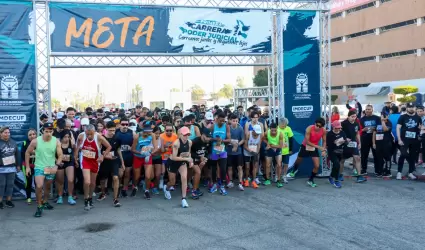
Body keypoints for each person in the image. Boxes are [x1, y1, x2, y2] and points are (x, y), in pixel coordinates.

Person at [25, 122, 63, 217]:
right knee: (39, 185)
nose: (48, 133)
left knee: (47, 187)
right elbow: (27, 153)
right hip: (39, 167)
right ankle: (39, 206)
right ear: (42, 131)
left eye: (50, 131)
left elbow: (60, 155)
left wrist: (56, 165)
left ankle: (45, 202)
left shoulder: (56, 141)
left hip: (50, 167)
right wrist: (28, 167)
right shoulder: (35, 141)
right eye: (46, 131)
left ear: (53, 131)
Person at [75, 124, 111, 211]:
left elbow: (109, 147)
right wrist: (75, 158)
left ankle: (90, 198)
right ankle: (86, 199)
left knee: (92, 183)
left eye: (91, 134)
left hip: (95, 161)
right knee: (87, 181)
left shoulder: (99, 137)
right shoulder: (81, 136)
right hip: (85, 160)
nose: (89, 136)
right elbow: (76, 147)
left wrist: (102, 156)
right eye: (87, 134)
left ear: (94, 132)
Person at [289, 118, 327, 187]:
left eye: (320, 126)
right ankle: (294, 170)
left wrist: (323, 150)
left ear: (322, 127)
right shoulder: (309, 128)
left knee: (317, 166)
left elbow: (324, 141)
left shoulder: (323, 131)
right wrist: (319, 147)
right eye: (317, 125)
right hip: (305, 146)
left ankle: (310, 180)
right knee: (299, 159)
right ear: (315, 123)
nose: (317, 127)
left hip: (314, 147)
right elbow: (307, 142)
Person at [163, 126, 193, 208]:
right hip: (173, 163)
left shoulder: (190, 142)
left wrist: (190, 161)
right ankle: (166, 188)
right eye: (184, 135)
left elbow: (188, 153)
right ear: (180, 135)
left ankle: (184, 199)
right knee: (172, 182)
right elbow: (174, 157)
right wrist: (187, 159)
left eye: (188, 134)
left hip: (182, 163)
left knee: (184, 178)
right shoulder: (176, 143)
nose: (186, 136)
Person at [97, 121, 124, 207]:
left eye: (114, 130)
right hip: (104, 161)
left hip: (115, 160)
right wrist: (104, 155)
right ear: (106, 130)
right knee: (102, 180)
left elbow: (119, 150)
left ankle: (115, 199)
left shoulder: (117, 138)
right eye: (110, 130)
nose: (112, 132)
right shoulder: (101, 138)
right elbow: (99, 151)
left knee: (115, 178)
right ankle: (103, 193)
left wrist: (122, 163)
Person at [131, 121, 157, 200]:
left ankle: (147, 190)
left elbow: (156, 147)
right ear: (143, 131)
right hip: (138, 157)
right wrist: (141, 152)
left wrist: (150, 153)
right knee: (136, 176)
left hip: (147, 156)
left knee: (148, 176)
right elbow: (132, 149)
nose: (148, 134)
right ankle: (135, 187)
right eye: (147, 132)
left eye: (150, 132)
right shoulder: (137, 136)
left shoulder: (152, 135)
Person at [396, 103, 422, 180]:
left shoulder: (418, 117)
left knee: (413, 156)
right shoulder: (402, 117)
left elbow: (420, 127)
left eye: (412, 107)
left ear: (415, 108)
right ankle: (399, 172)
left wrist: (420, 130)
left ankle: (410, 172)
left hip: (414, 140)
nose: (411, 109)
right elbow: (398, 128)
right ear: (407, 108)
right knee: (403, 154)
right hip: (404, 139)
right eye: (409, 107)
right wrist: (399, 139)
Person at [208, 112, 231, 195]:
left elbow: (229, 139)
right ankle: (214, 184)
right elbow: (208, 137)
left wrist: (222, 141)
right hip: (214, 151)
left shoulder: (227, 126)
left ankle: (222, 186)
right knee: (213, 169)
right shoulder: (213, 126)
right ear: (217, 119)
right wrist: (215, 139)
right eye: (220, 121)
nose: (222, 122)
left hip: (223, 151)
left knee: (223, 169)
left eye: (223, 121)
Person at [341, 110, 366, 183]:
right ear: (348, 116)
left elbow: (357, 133)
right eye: (352, 116)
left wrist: (359, 143)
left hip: (354, 143)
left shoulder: (356, 123)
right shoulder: (343, 123)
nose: (354, 118)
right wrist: (345, 139)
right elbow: (339, 132)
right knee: (342, 160)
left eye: (355, 116)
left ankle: (359, 176)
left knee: (357, 158)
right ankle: (340, 175)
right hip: (345, 144)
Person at [0, 126, 20, 209]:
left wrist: (18, 165)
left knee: (10, 185)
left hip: (11, 168)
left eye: (8, 132)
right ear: (1, 133)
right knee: (1, 185)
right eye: (5, 132)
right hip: (1, 168)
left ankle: (8, 201)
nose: (7, 134)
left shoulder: (13, 142)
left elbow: (17, 154)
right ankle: (0, 201)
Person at [115, 117, 136, 198]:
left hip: (129, 155)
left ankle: (124, 189)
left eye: (126, 124)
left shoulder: (132, 132)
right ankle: (118, 188)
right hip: (119, 156)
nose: (125, 126)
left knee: (127, 173)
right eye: (123, 124)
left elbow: (136, 143)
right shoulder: (116, 132)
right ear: (120, 124)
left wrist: (132, 147)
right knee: (120, 174)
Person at [56, 129, 77, 205]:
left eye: (68, 137)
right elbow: (53, 154)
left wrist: (75, 159)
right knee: (60, 181)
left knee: (71, 180)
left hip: (69, 163)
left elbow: (75, 150)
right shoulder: (57, 143)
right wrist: (57, 161)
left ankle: (70, 197)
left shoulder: (71, 143)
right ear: (61, 137)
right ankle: (60, 196)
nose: (66, 138)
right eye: (65, 137)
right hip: (60, 164)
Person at [359, 105, 381, 175]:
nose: (367, 110)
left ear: (372, 110)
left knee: (376, 155)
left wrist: (375, 129)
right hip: (365, 138)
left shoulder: (377, 118)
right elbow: (358, 130)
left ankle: (377, 170)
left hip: (375, 139)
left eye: (369, 109)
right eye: (366, 109)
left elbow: (380, 128)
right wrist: (363, 129)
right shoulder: (361, 119)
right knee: (364, 155)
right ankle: (364, 169)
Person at [226, 114, 245, 191]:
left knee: (239, 167)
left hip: (238, 151)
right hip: (229, 151)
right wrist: (231, 143)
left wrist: (237, 145)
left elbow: (243, 139)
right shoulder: (228, 128)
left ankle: (240, 182)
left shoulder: (240, 129)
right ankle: (231, 181)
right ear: (230, 121)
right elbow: (226, 139)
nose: (235, 122)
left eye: (236, 121)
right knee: (229, 167)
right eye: (233, 121)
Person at [326, 121, 347, 188]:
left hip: (340, 151)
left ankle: (331, 177)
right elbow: (328, 145)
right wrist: (335, 142)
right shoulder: (329, 134)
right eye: (336, 128)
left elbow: (345, 142)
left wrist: (345, 141)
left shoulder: (342, 132)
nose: (338, 129)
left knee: (336, 166)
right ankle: (337, 181)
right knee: (337, 164)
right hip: (332, 152)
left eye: (339, 128)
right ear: (333, 127)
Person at [264, 123, 284, 187]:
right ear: (270, 129)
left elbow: (280, 146)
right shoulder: (267, 132)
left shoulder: (280, 134)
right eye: (272, 130)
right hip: (269, 150)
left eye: (275, 130)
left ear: (277, 129)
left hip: (277, 149)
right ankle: (267, 179)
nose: (273, 132)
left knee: (279, 165)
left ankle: (278, 180)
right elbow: (263, 138)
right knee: (267, 165)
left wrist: (271, 145)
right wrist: (267, 143)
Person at [243, 124, 262, 189]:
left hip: (255, 152)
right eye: (256, 132)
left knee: (255, 167)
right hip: (247, 152)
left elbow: (259, 145)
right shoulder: (248, 134)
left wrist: (257, 152)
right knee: (247, 167)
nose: (257, 134)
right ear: (253, 131)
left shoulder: (259, 135)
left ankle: (254, 181)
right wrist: (250, 150)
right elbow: (245, 145)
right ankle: (246, 179)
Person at [22, 128, 37, 205]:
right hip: (27, 166)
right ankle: (28, 198)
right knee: (28, 182)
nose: (32, 136)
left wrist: (32, 154)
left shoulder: (40, 143)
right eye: (30, 135)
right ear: (27, 136)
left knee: (38, 182)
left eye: (34, 134)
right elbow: (23, 155)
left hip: (37, 166)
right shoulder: (25, 143)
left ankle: (38, 197)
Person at [277, 118, 293, 184]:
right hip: (278, 150)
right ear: (279, 124)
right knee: (278, 165)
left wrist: (290, 149)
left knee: (286, 164)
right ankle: (277, 177)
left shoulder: (288, 128)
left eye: (285, 125)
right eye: (283, 125)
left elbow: (291, 139)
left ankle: (284, 176)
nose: (284, 126)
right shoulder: (276, 129)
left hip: (286, 150)